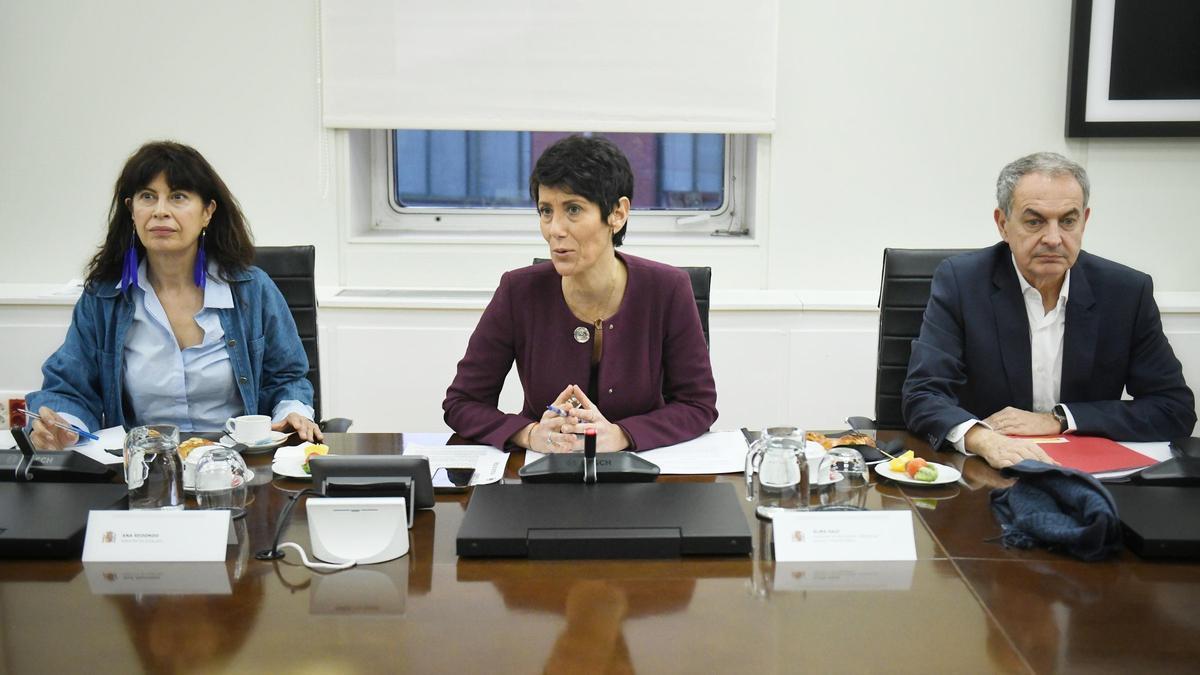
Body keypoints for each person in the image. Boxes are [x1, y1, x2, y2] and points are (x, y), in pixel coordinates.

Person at [902, 152, 1195, 469]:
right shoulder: (962, 283)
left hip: (1089, 476)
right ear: (1003, 224)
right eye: (1035, 221)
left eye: (1068, 221)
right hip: (986, 473)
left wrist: (1061, 418)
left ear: (1085, 220)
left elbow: (1173, 408)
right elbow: (923, 394)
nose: (1054, 239)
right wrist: (983, 438)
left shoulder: (1126, 292)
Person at [26, 141, 322, 449]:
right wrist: (63, 424)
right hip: (147, 469)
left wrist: (293, 412)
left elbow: (287, 379)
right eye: (147, 197)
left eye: (178, 196)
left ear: (208, 212)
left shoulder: (252, 291)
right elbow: (69, 388)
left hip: (238, 463)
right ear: (131, 210)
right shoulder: (104, 299)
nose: (160, 211)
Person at [443, 135, 718, 452]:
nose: (555, 229)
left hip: (642, 473)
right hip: (542, 474)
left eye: (573, 209)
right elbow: (462, 403)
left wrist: (622, 434)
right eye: (546, 211)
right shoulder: (517, 291)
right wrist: (529, 433)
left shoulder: (668, 288)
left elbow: (698, 405)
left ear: (617, 213)